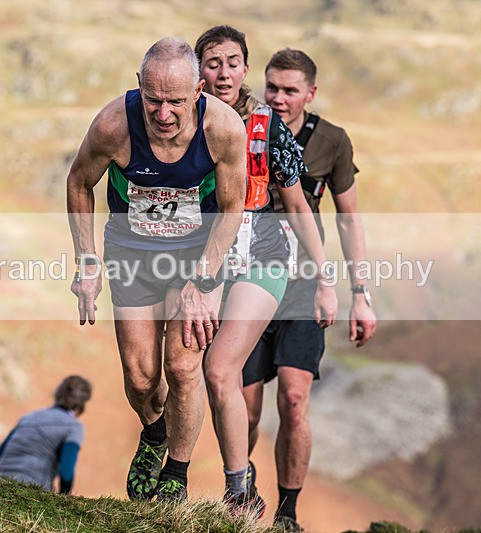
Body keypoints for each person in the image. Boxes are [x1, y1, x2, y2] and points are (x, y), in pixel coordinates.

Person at [66, 37, 247, 502]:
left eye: (175, 103)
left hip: (197, 252)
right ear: (138, 88)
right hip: (131, 250)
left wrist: (205, 281)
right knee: (142, 376)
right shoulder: (113, 125)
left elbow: (231, 208)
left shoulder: (223, 129)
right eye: (152, 101)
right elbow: (79, 182)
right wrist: (87, 261)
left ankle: (176, 476)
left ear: (199, 91)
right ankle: (154, 432)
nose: (163, 114)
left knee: (183, 367)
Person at [194, 26, 337, 519]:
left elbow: (298, 205)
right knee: (185, 375)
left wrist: (326, 280)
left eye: (233, 62)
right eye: (213, 62)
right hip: (198, 268)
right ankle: (189, 475)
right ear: (198, 70)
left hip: (262, 260)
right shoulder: (176, 121)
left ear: (245, 68)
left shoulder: (265, 126)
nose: (224, 72)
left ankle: (247, 496)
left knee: (221, 371)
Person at [241, 49, 378, 532]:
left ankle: (287, 515)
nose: (278, 98)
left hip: (302, 288)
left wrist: (360, 293)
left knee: (295, 400)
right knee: (246, 405)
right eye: (272, 87)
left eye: (290, 90)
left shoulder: (332, 143)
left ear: (310, 94)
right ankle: (238, 495)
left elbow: (349, 218)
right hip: (246, 281)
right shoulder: (243, 127)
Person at [0, 375, 92, 494]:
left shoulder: (28, 418)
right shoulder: (73, 427)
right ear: (82, 404)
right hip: (33, 490)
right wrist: (64, 499)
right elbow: (66, 473)